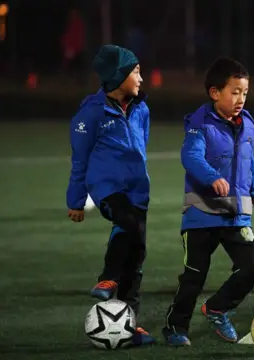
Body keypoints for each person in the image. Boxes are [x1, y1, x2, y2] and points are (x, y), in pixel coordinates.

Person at [162, 57, 254, 346]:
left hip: (235, 212)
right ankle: (175, 328)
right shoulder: (200, 123)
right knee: (194, 276)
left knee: (253, 266)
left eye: (244, 92)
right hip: (202, 214)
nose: (240, 98)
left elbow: (248, 160)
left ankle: (218, 308)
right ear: (214, 92)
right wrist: (211, 178)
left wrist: (253, 188)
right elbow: (190, 156)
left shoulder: (248, 124)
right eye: (234, 91)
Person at [65, 44, 155, 345]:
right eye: (136, 72)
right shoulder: (90, 114)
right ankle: (108, 276)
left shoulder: (141, 108)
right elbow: (79, 160)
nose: (142, 78)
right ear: (118, 77)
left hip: (138, 191)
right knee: (127, 223)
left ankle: (130, 325)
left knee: (138, 255)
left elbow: (141, 146)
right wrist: (76, 201)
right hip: (106, 188)